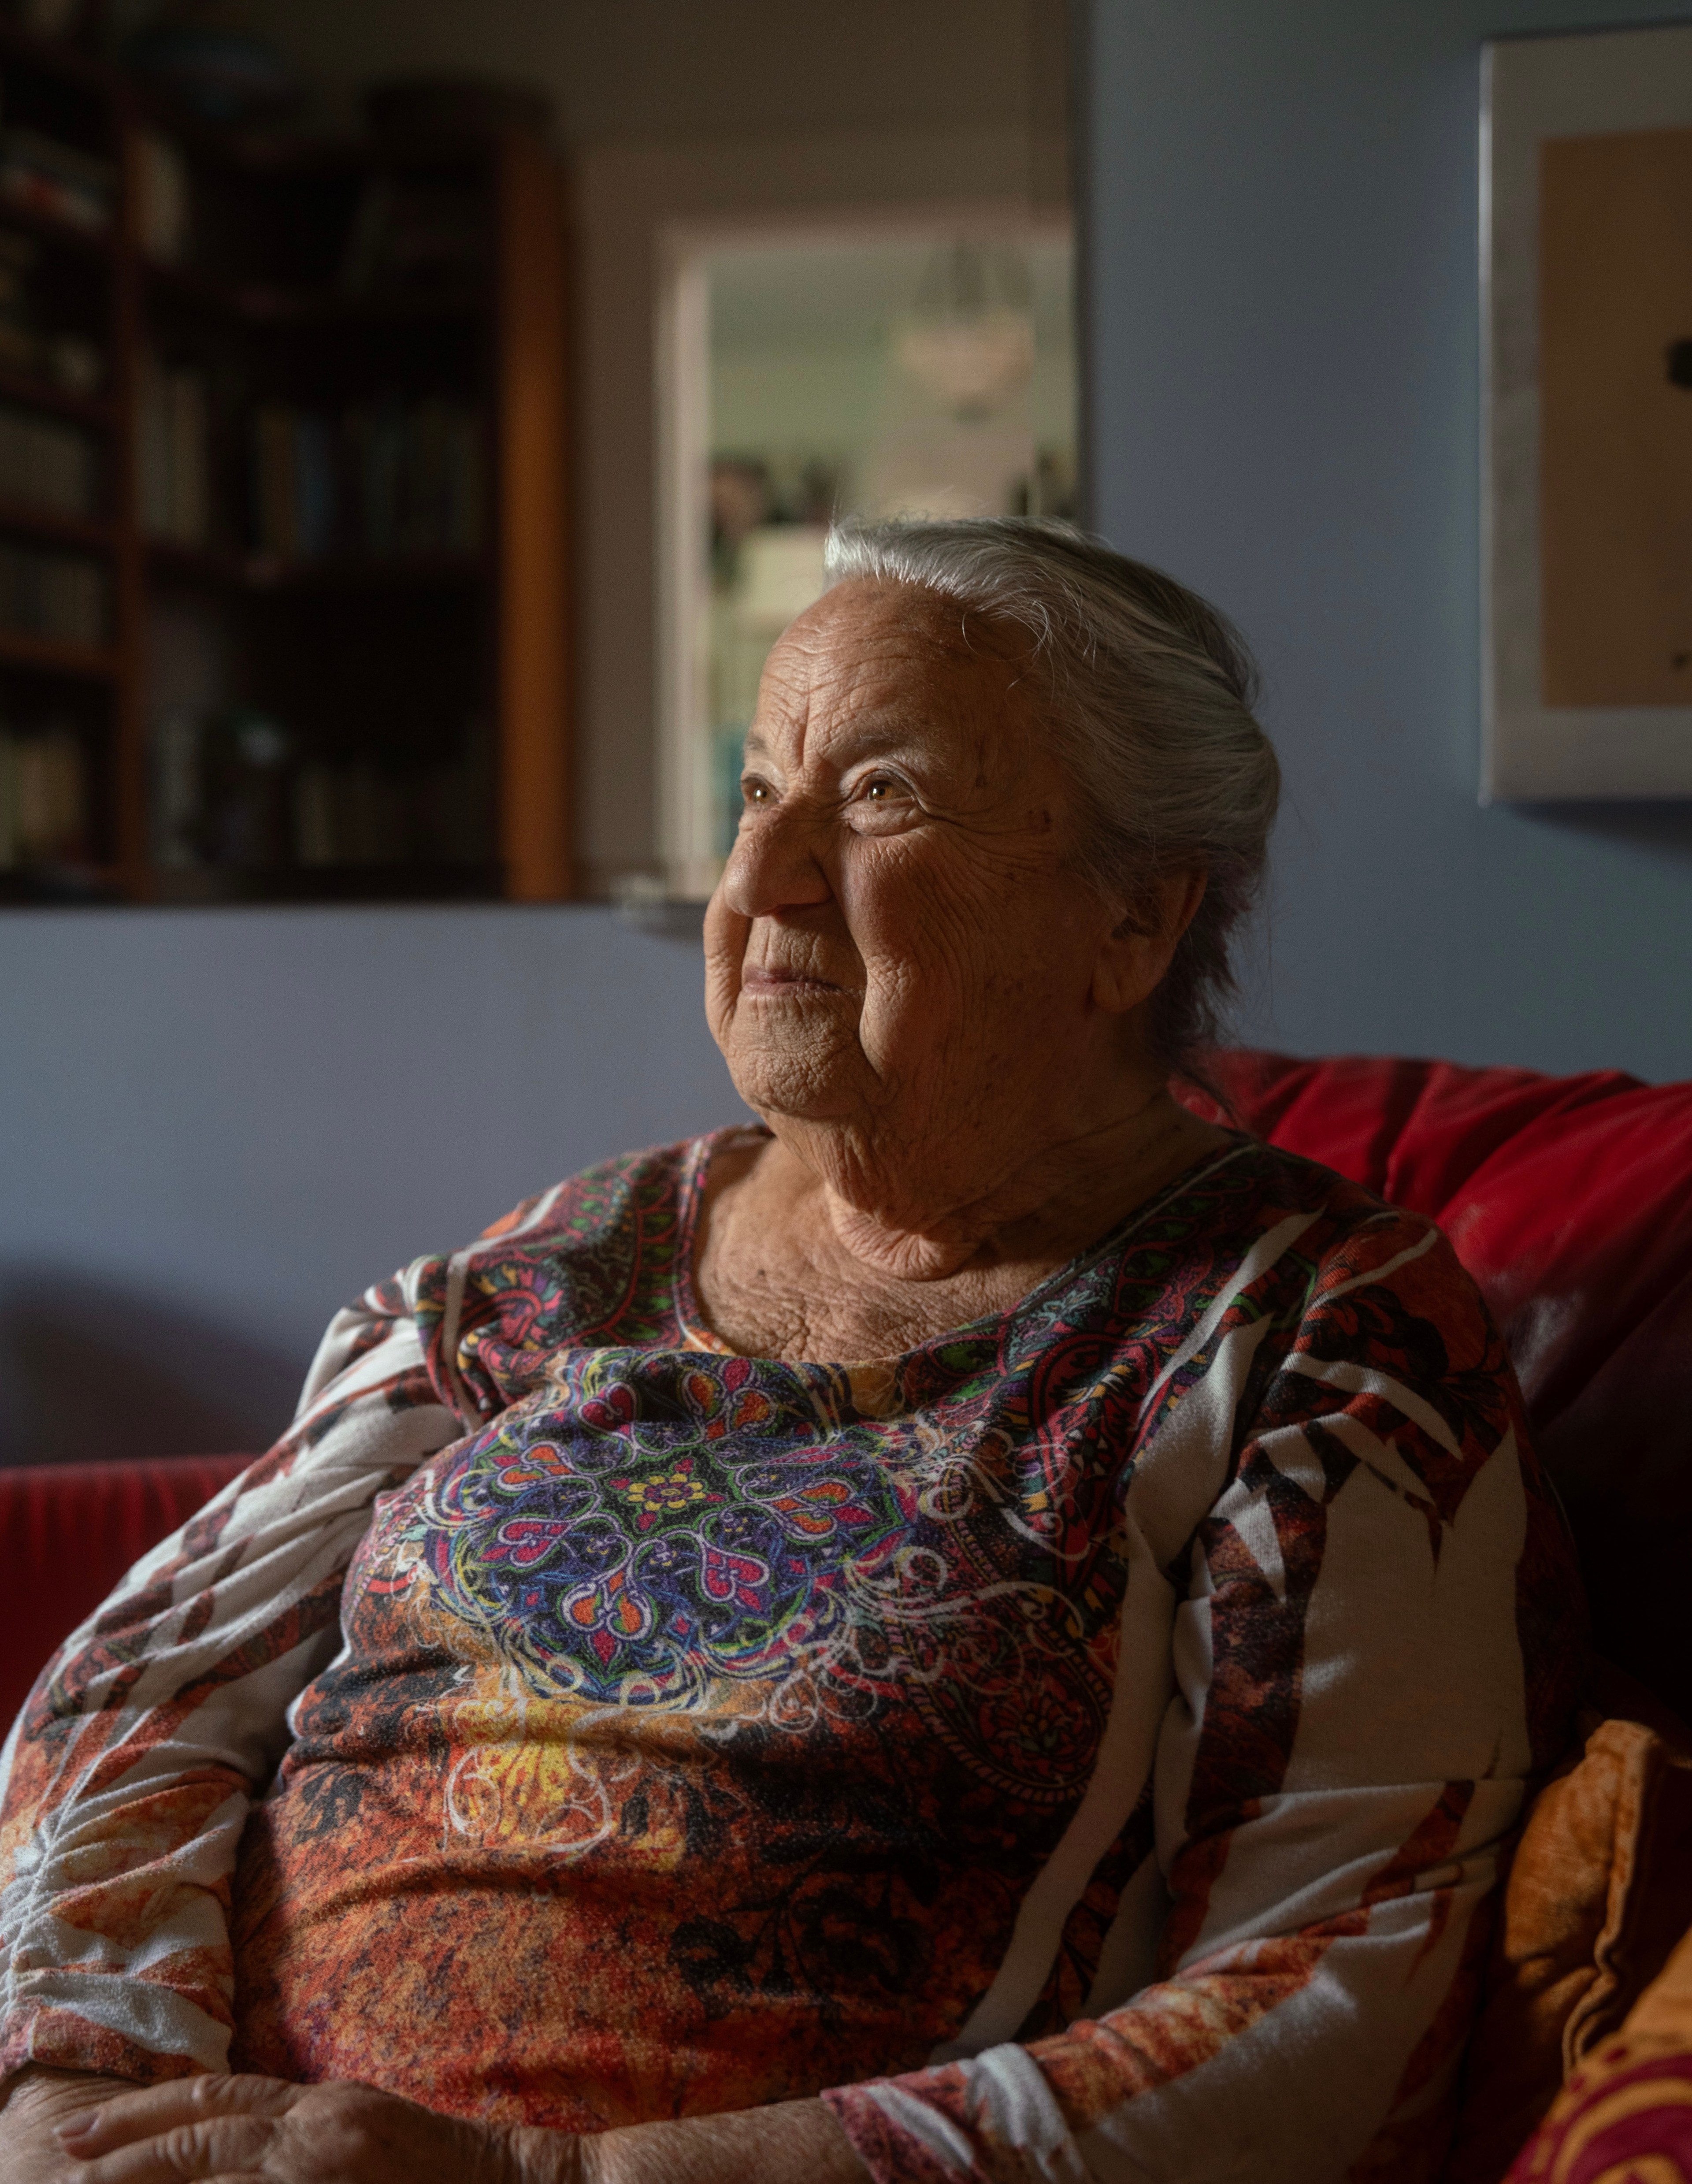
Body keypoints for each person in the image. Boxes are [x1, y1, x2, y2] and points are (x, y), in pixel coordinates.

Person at [0, 520, 1579, 2184]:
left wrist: (553, 2181)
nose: (759, 884)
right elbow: (141, 1691)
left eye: (880, 795)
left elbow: (1330, 2001)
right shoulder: (554, 1266)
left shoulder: (1311, 1332)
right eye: (758, 792)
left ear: (1134, 919)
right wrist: (72, 2092)